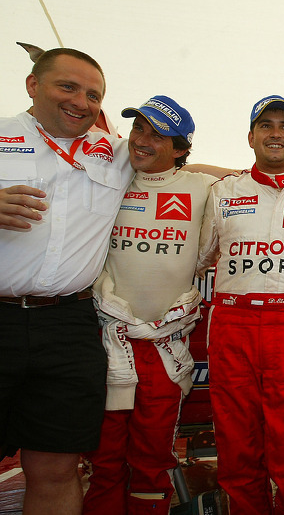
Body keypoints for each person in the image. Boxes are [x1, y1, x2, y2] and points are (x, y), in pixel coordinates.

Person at [0, 48, 134, 515]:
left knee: (57, 470)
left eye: (94, 94)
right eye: (68, 86)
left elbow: (195, 171)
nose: (82, 101)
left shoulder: (119, 155)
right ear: (33, 86)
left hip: (70, 326)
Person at [81, 96, 216, 514]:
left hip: (163, 347)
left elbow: (254, 181)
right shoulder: (106, 175)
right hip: (107, 342)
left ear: (180, 149)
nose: (141, 141)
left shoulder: (202, 188)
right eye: (138, 129)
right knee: (102, 458)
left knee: (152, 458)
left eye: (157, 135)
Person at [196, 95, 284, 514]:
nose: (276, 133)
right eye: (267, 125)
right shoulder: (222, 192)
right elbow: (200, 257)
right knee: (237, 443)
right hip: (232, 319)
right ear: (251, 136)